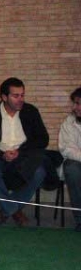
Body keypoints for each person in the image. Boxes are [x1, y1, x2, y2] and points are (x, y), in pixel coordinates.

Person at [0, 77, 49, 226]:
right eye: (16, 96)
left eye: (22, 95)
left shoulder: (30, 111)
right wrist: (1, 154)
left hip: (23, 156)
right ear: (4, 97)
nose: (20, 99)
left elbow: (43, 139)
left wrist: (20, 152)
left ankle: (7, 208)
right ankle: (14, 211)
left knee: (40, 171)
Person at [58, 87, 81, 232]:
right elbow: (66, 149)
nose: (75, 107)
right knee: (71, 169)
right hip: (77, 164)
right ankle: (80, 219)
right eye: (74, 103)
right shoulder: (68, 122)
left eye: (78, 103)